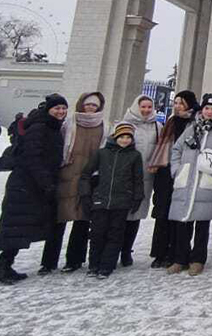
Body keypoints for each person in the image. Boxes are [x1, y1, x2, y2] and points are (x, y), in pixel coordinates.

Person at [0, 94, 68, 284]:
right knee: (17, 225)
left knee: (20, 226)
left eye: (64, 108)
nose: (61, 111)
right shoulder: (40, 128)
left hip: (31, 184)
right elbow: (32, 157)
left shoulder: (50, 126)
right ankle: (2, 267)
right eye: (57, 108)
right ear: (48, 109)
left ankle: (4, 265)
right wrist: (46, 182)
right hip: (26, 184)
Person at [41, 92, 106, 274]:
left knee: (82, 221)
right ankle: (48, 261)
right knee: (58, 220)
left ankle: (75, 260)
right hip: (66, 174)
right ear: (81, 104)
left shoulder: (104, 126)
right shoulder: (69, 123)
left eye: (94, 105)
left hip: (88, 177)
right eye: (88, 104)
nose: (90, 108)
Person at [167, 93, 212, 276]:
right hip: (187, 180)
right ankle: (180, 259)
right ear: (202, 109)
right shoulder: (191, 127)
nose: (209, 112)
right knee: (183, 223)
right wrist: (177, 170)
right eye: (207, 108)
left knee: (202, 225)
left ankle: (198, 259)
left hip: (206, 182)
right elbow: (177, 149)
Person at [83, 122, 145, 279]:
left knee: (115, 235)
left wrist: (137, 197)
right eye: (122, 137)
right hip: (101, 200)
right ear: (115, 137)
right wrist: (86, 194)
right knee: (97, 234)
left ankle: (106, 266)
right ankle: (94, 265)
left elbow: (138, 179)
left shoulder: (135, 156)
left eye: (128, 137)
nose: (125, 140)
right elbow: (86, 174)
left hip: (121, 201)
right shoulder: (102, 153)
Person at [148, 90, 197, 268]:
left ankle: (177, 253)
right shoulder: (170, 122)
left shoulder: (194, 123)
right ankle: (160, 253)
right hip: (165, 171)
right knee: (162, 213)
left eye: (181, 103)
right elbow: (162, 144)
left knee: (180, 214)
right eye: (175, 103)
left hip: (184, 171)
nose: (177, 106)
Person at [118, 94, 161, 267]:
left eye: (149, 107)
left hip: (145, 177)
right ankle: (114, 249)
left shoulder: (157, 126)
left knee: (136, 215)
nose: (146, 110)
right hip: (125, 176)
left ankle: (126, 250)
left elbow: (160, 149)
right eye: (143, 106)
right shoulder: (125, 124)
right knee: (120, 214)